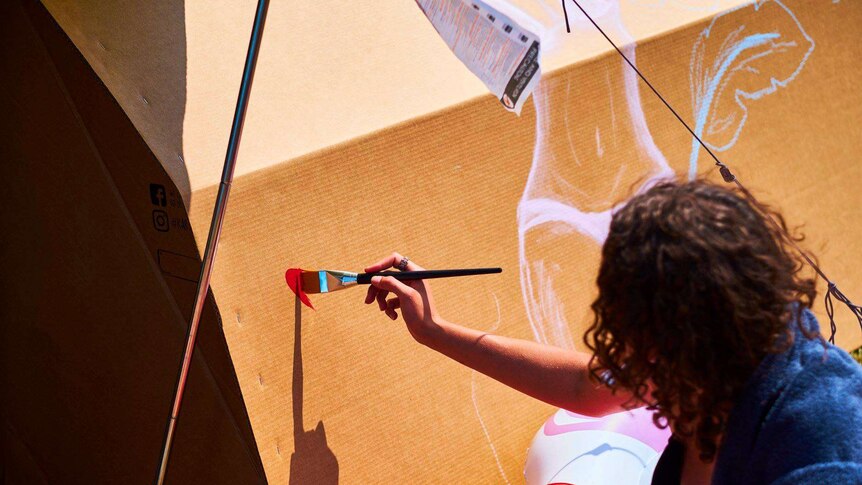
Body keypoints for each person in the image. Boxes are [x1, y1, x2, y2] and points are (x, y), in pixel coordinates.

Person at [362, 179, 862, 484]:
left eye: (638, 337)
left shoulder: (823, 435)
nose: (623, 355)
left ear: (691, 338)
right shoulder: (711, 367)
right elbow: (587, 387)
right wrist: (433, 330)